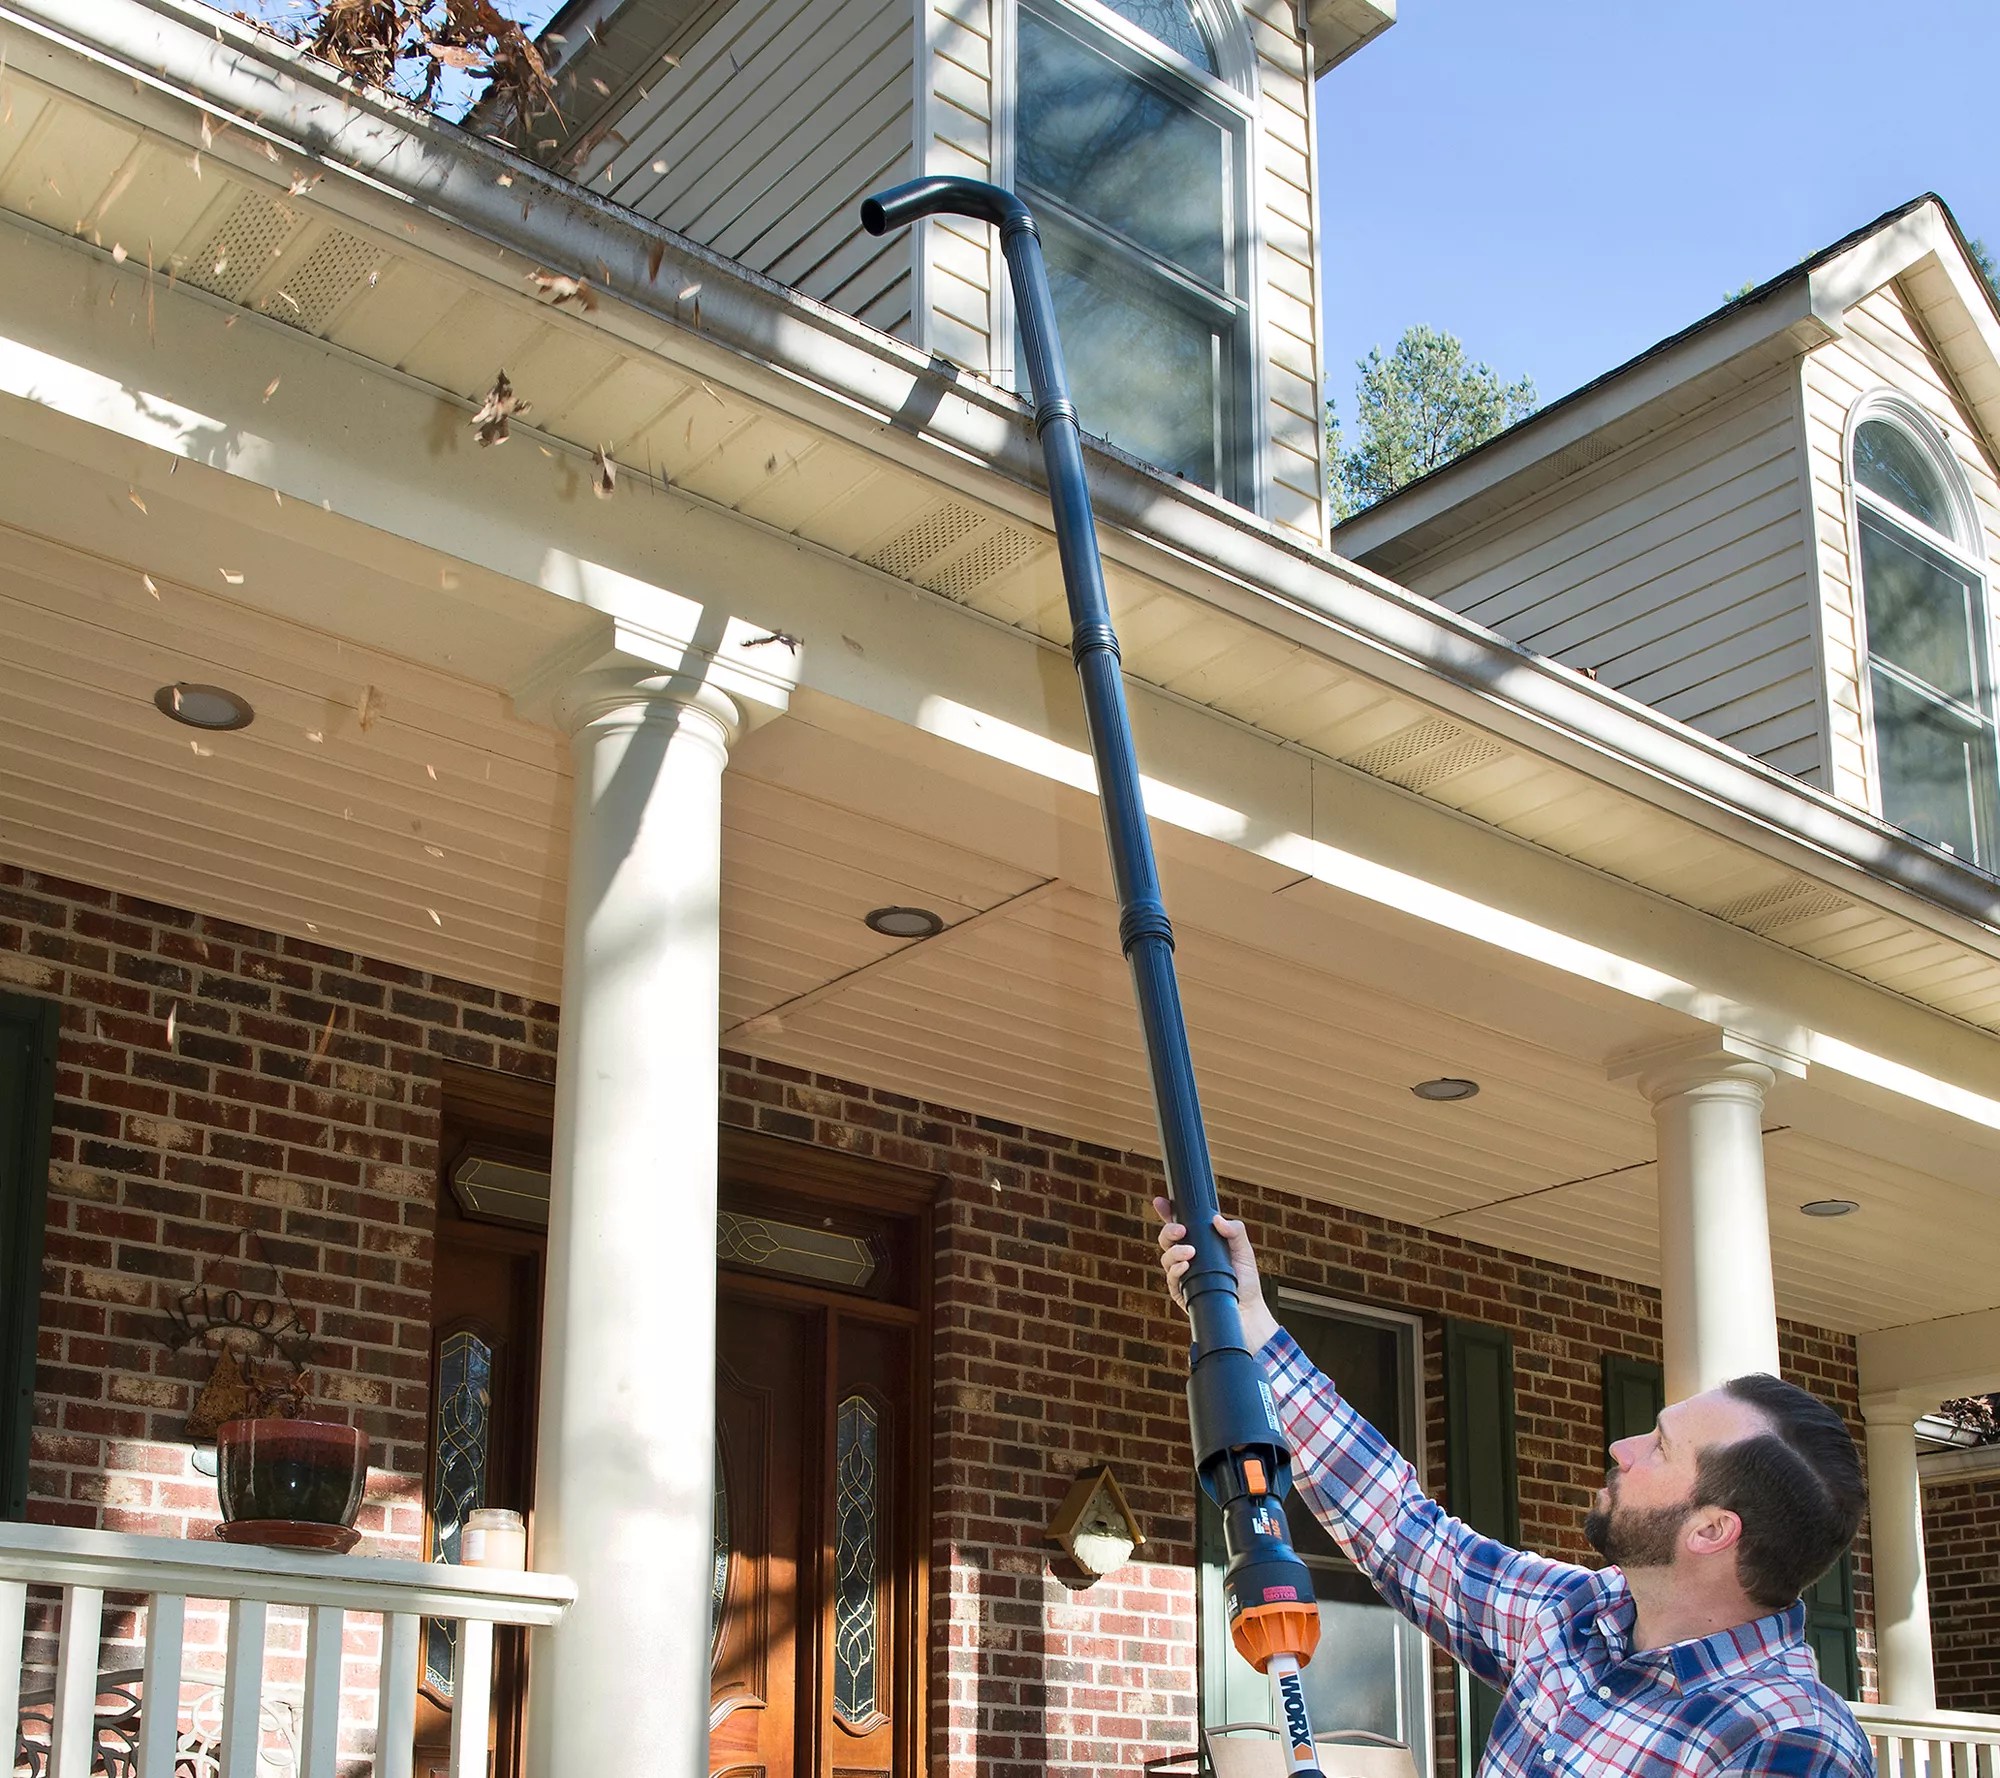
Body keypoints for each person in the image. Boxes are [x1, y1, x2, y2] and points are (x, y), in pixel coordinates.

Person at [1154, 1201, 1874, 1778]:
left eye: (1659, 1448)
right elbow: (1405, 1532)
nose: (1621, 1449)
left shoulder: (1790, 1742)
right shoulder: (1574, 1619)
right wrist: (1251, 1327)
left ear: (1712, 1529)